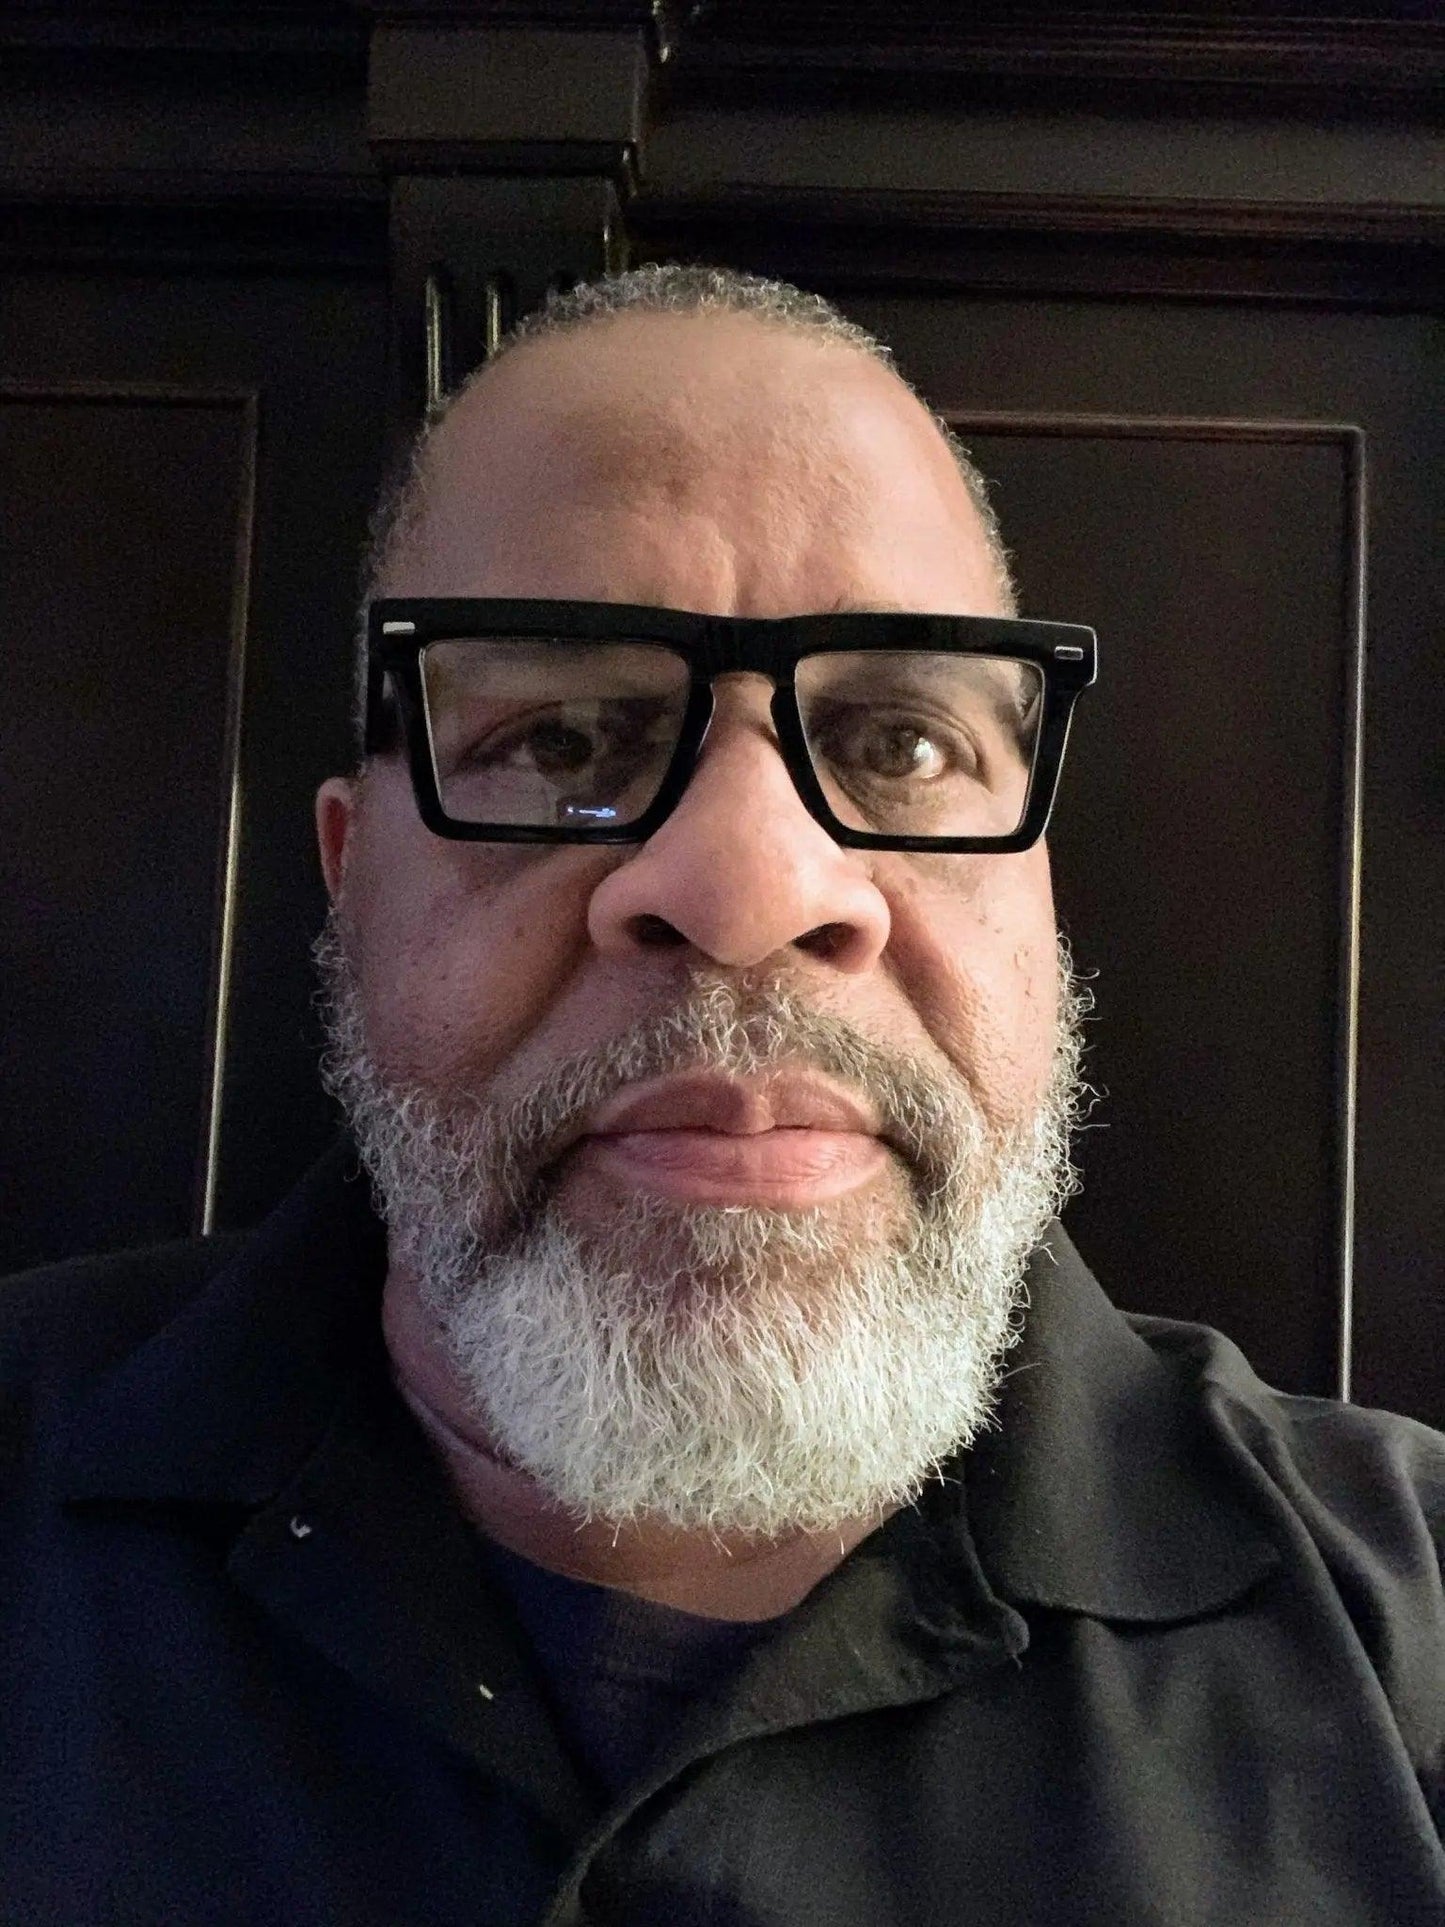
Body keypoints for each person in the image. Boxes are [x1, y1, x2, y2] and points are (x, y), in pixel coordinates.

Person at [2, 265, 1441, 1927]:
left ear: (1038, 888)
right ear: (349, 878)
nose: (750, 891)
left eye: (899, 745)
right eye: (561, 740)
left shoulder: (1411, 1642)